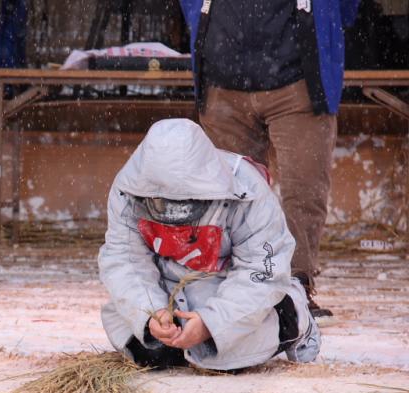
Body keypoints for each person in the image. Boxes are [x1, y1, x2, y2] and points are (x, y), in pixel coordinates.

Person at [179, 0, 360, 317]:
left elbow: (345, 8)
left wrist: (325, 24)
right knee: (227, 196)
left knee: (304, 190)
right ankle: (238, 290)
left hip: (299, 79)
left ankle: (295, 288)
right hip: (223, 81)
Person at [99, 119, 320, 371]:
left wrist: (210, 324)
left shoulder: (247, 188)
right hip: (165, 285)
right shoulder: (127, 189)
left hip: (226, 284)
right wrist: (152, 312)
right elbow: (124, 260)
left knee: (223, 358)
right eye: (163, 203)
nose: (174, 216)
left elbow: (261, 269)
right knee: (148, 352)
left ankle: (292, 313)